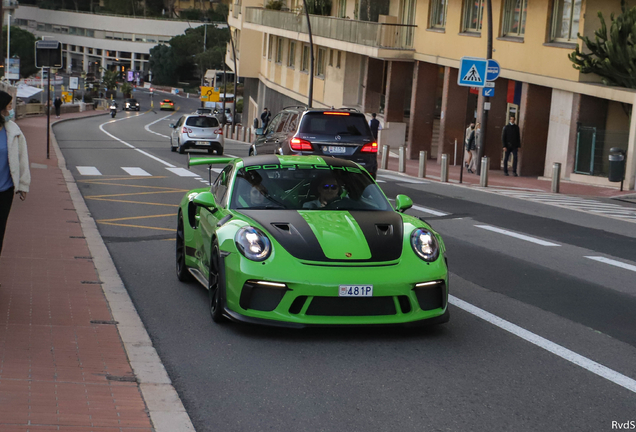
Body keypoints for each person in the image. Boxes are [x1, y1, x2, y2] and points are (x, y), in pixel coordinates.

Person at [0, 90, 30, 257]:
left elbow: (22, 158)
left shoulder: (13, 130)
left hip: (4, 192)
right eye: (9, 106)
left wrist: (23, 184)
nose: (11, 109)